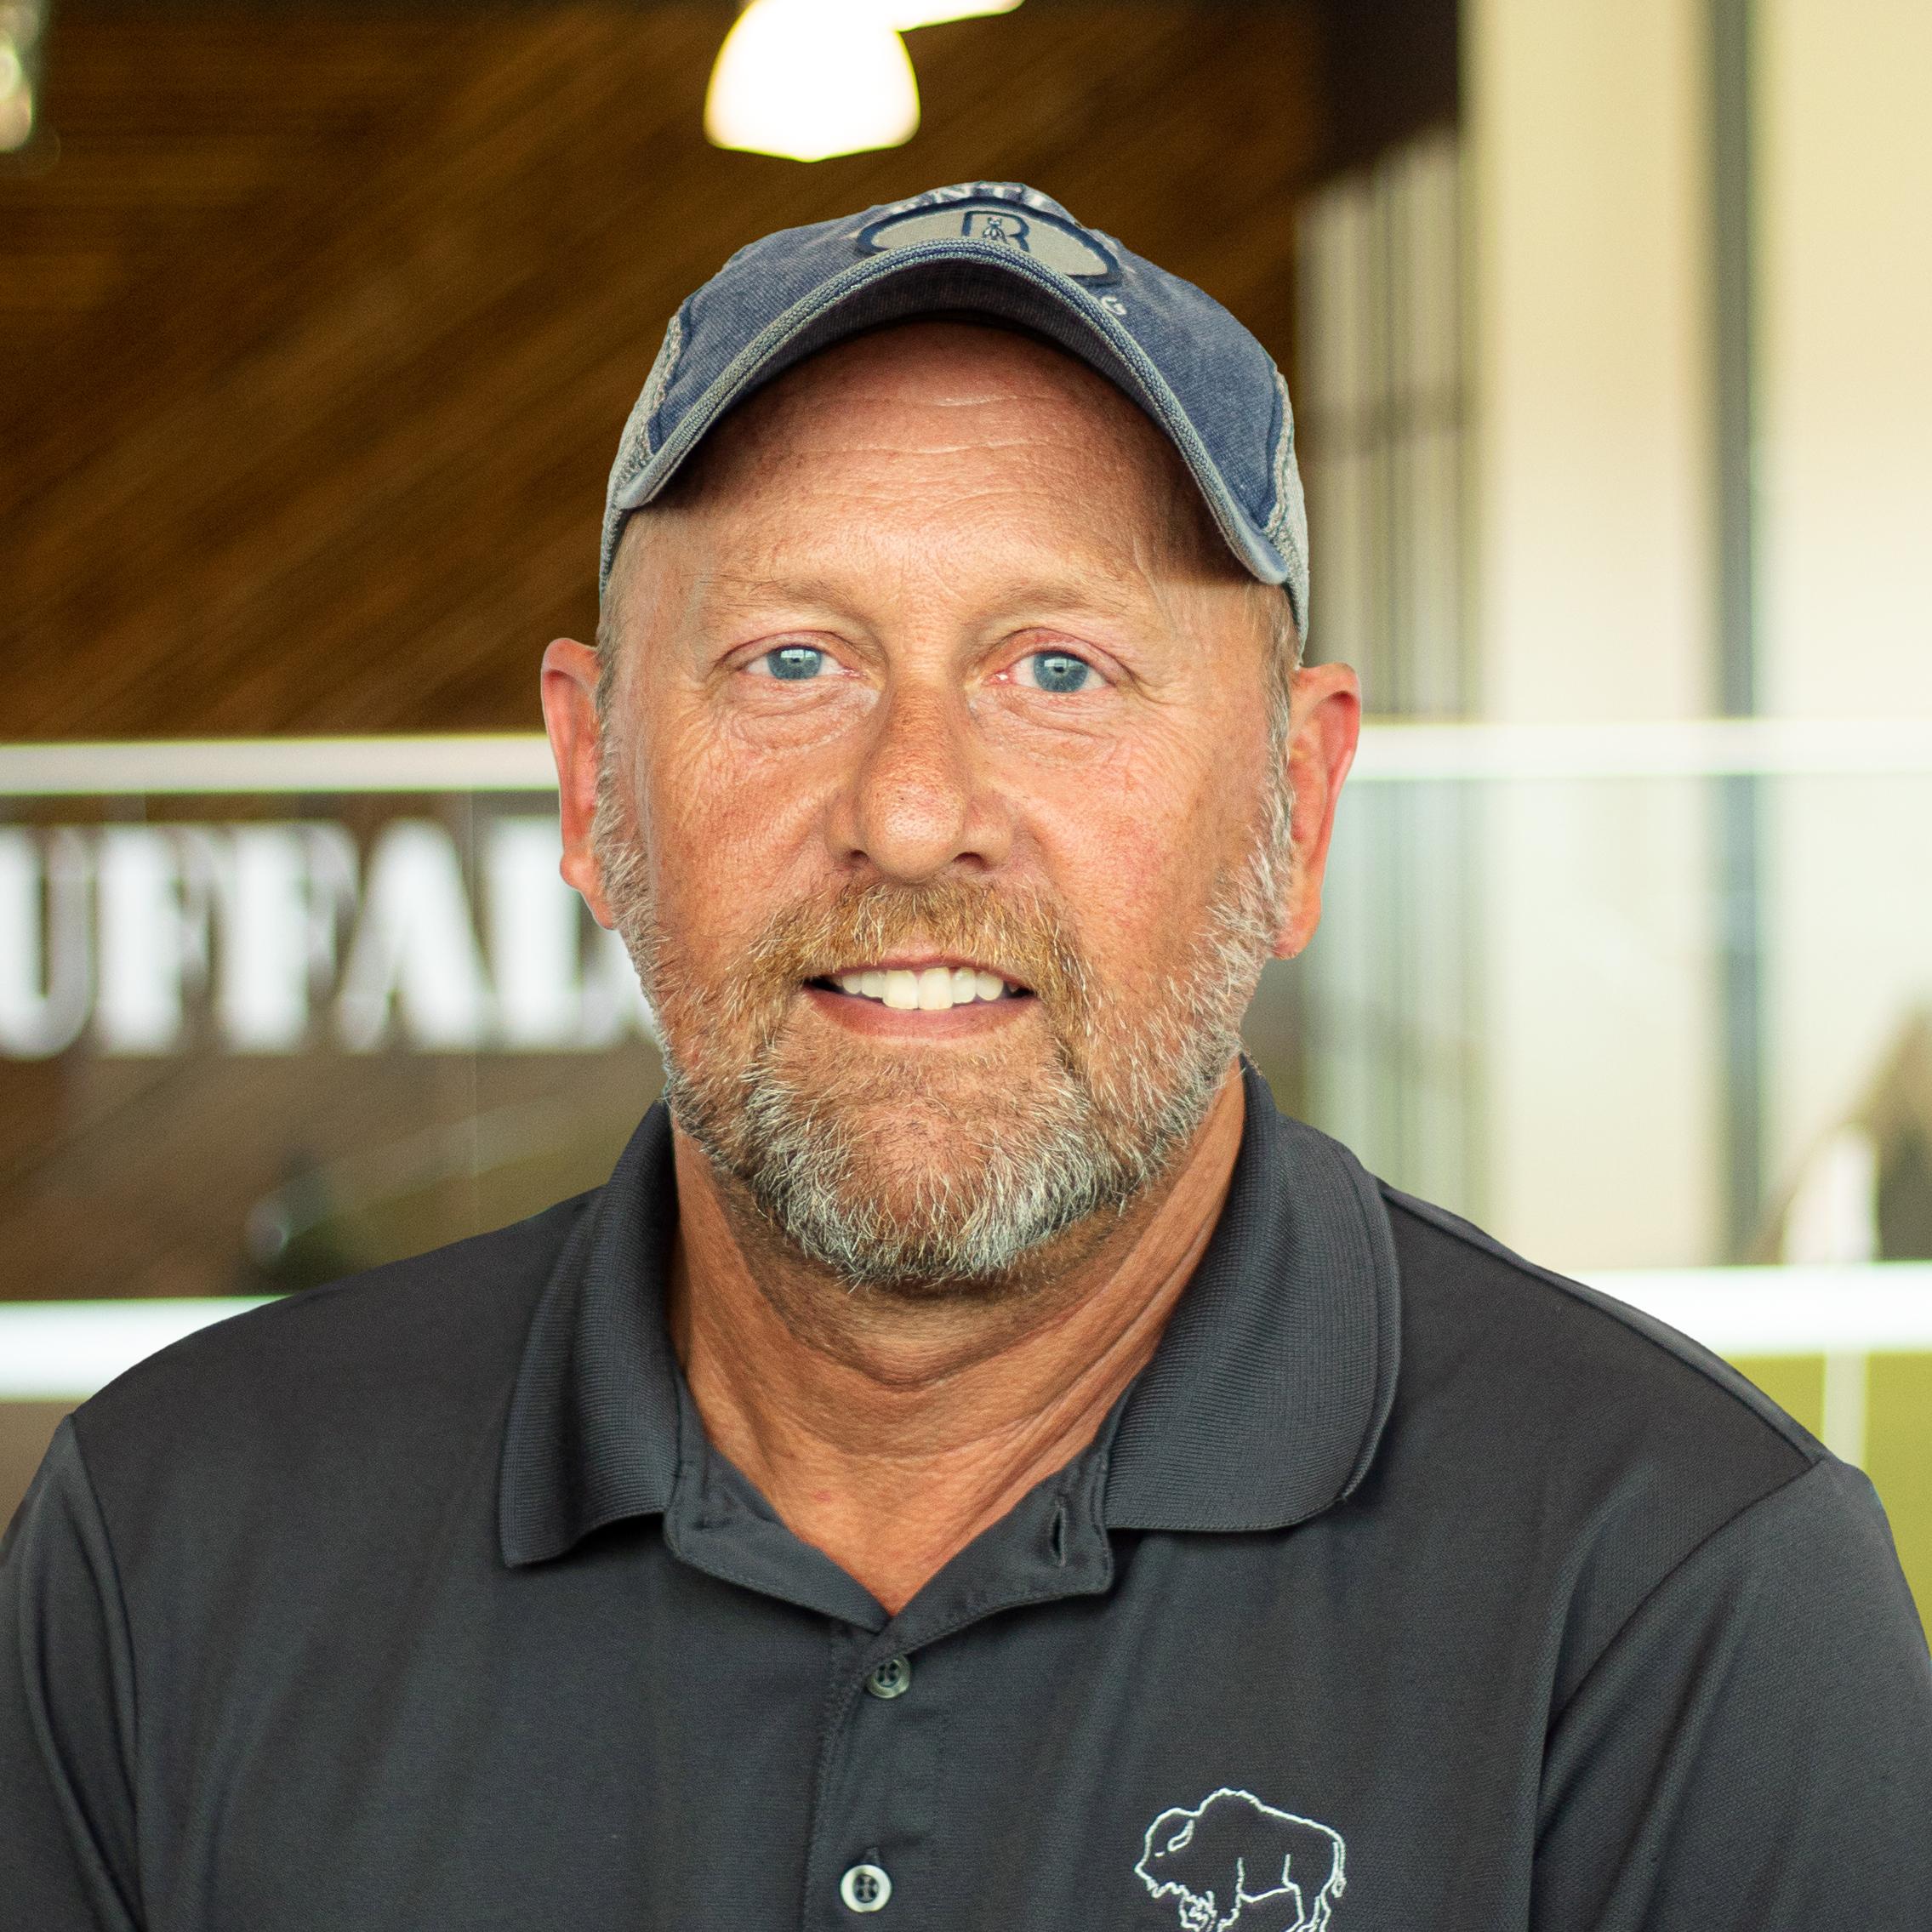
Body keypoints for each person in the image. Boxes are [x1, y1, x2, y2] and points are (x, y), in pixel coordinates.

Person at [3, 182, 1929, 1932]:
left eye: (1057, 669)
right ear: (592, 783)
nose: (914, 812)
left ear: (1297, 799)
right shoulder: (167, 1549)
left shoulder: (1679, 1593)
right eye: (789, 660)